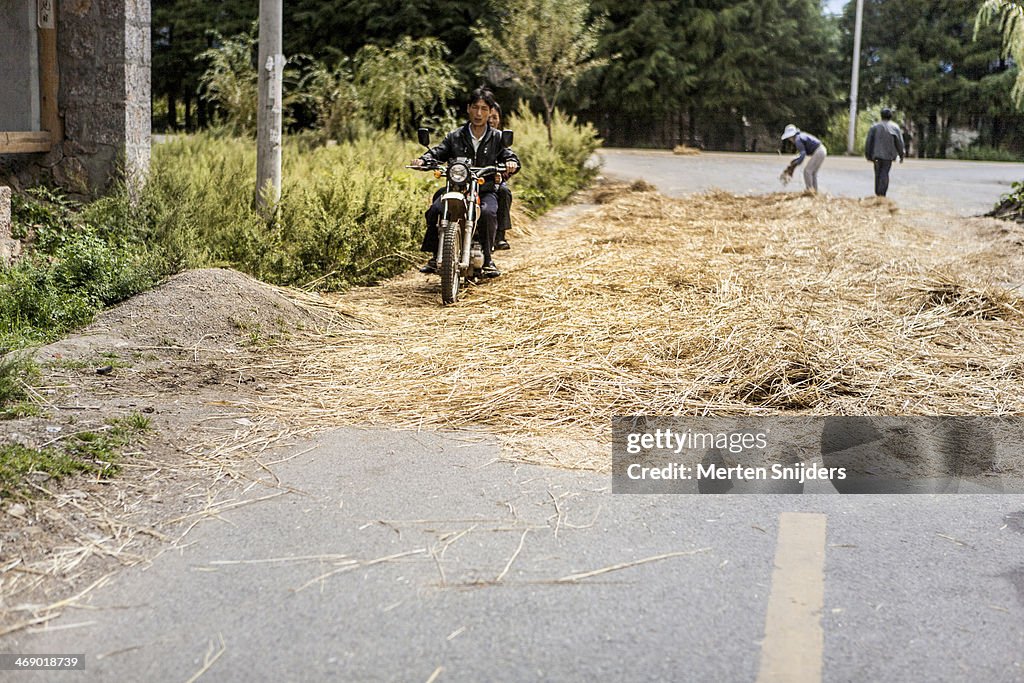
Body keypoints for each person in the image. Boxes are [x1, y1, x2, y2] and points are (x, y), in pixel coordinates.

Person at [412, 87, 520, 278]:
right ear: (468, 108)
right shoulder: (455, 136)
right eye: (475, 107)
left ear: (490, 111)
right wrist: (423, 160)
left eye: (484, 109)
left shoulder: (496, 137)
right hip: (456, 188)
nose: (479, 113)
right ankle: (434, 254)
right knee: (436, 209)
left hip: (485, 190)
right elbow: (439, 151)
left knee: (487, 212)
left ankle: (487, 260)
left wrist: (511, 163)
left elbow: (509, 156)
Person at [488, 103, 515, 251]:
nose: (491, 120)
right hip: (470, 180)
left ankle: (500, 235)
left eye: (495, 117)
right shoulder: (469, 135)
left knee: (504, 192)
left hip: (494, 182)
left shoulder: (501, 139)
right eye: (489, 117)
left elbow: (511, 159)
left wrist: (504, 171)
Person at [864, 108, 905, 198]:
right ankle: (882, 195)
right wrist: (901, 155)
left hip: (876, 155)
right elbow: (899, 143)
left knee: (877, 173)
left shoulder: (874, 127)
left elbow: (868, 142)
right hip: (888, 156)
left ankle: (878, 193)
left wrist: (868, 155)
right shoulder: (895, 128)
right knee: (885, 173)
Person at [780, 124, 827, 192]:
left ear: (791, 136)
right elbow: (802, 154)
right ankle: (814, 192)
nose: (789, 140)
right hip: (822, 150)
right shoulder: (800, 136)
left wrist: (795, 164)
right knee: (813, 173)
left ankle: (809, 191)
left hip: (819, 151)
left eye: (789, 138)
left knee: (807, 171)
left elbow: (803, 155)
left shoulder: (797, 140)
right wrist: (795, 161)